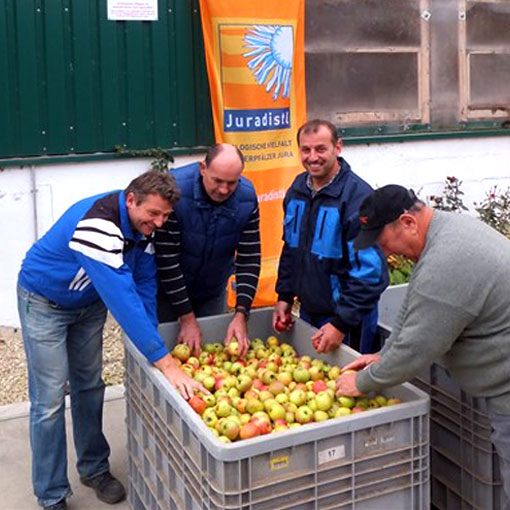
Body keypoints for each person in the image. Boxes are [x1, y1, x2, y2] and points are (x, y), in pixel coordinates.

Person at [17, 170, 206, 510]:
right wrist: (166, 362)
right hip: (44, 303)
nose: (160, 223)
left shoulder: (144, 226)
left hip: (86, 305)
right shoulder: (98, 224)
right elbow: (121, 298)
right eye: (154, 214)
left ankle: (94, 469)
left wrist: (150, 343)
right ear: (130, 200)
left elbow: (145, 284)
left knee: (90, 386)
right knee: (49, 402)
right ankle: (51, 493)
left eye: (165, 216)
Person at [336, 184, 510, 507]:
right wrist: (382, 355)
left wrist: (361, 383)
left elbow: (417, 350)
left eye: (384, 243)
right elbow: (415, 302)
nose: (386, 255)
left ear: (407, 222)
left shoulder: (448, 260)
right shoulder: (443, 231)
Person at [273, 119, 388, 353]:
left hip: (347, 320)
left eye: (321, 149)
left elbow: (370, 274)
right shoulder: (297, 189)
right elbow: (291, 248)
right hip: (309, 311)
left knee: (347, 383)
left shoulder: (359, 198)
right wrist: (284, 295)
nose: (312, 157)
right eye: (305, 149)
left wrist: (340, 324)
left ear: (338, 148)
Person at [154, 143, 261, 358]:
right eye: (217, 181)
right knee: (162, 354)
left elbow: (249, 257)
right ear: (203, 168)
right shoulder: (175, 192)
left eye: (231, 183)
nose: (223, 190)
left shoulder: (247, 199)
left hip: (212, 290)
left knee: (208, 352)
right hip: (165, 293)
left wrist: (241, 314)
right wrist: (186, 317)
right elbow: (166, 260)